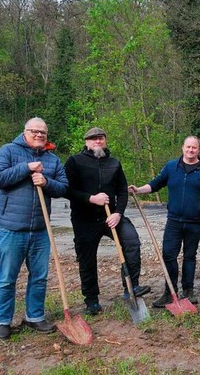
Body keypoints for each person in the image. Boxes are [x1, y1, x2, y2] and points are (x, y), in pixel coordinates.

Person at [0, 117, 68, 340]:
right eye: (34, 131)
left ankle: (34, 316)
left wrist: (46, 182)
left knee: (40, 277)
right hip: (11, 228)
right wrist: (26, 168)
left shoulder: (52, 160)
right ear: (25, 132)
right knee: (7, 277)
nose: (39, 135)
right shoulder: (8, 151)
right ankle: (2, 321)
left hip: (41, 229)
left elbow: (63, 187)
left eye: (43, 132)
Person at [64, 127, 150, 315]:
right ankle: (92, 301)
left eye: (101, 138)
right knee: (87, 259)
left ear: (105, 140)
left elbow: (122, 191)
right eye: (93, 138)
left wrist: (118, 213)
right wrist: (91, 198)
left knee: (131, 241)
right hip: (84, 219)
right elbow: (66, 190)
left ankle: (131, 287)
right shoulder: (75, 162)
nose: (98, 141)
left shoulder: (114, 163)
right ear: (86, 142)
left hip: (110, 216)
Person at [129, 136, 200, 307]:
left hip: (195, 221)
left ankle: (188, 290)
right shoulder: (172, 167)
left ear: (198, 150)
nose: (190, 150)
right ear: (182, 148)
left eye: (194, 147)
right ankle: (169, 292)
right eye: (188, 147)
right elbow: (155, 184)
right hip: (174, 221)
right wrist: (138, 190)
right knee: (168, 255)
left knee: (189, 256)